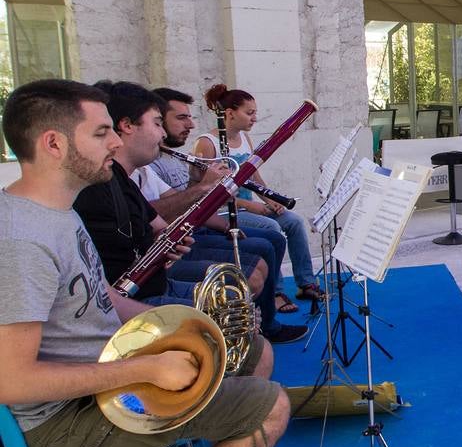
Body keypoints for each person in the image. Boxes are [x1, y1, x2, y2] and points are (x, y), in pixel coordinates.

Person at [0, 79, 294, 447]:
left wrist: (189, 331)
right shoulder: (22, 241)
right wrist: (147, 367)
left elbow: (101, 298)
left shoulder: (55, 212)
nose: (115, 142)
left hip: (104, 377)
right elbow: (12, 382)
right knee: (270, 405)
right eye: (99, 133)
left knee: (248, 350)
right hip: (62, 421)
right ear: (53, 143)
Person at [71, 83, 276, 329]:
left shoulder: (122, 179)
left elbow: (160, 225)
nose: (163, 134)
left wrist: (168, 239)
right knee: (247, 325)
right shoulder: (94, 188)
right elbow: (107, 296)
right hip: (138, 296)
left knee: (242, 302)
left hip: (153, 281)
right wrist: (203, 189)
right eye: (158, 123)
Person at [149, 87, 296, 320]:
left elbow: (188, 205)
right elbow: (175, 208)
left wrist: (264, 202)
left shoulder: (172, 159)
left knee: (282, 231)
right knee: (269, 237)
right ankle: (265, 318)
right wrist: (211, 191)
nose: (191, 124)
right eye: (181, 118)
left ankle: (276, 308)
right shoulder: (151, 165)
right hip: (182, 244)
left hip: (199, 228)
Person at [193, 84, 325, 307]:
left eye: (255, 112)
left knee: (293, 222)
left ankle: (306, 282)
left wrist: (270, 200)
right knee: (271, 229)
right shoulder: (207, 143)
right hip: (223, 213)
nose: (255, 118)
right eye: (249, 112)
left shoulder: (244, 138)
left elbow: (253, 174)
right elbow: (207, 191)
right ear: (230, 114)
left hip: (247, 207)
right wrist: (249, 205)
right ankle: (275, 292)